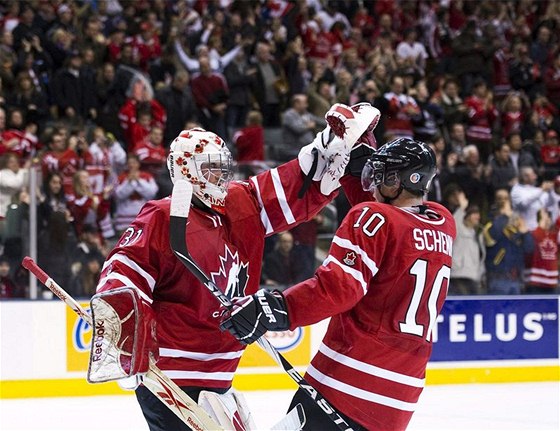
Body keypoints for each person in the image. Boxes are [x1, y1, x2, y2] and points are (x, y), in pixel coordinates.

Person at [94, 103, 381, 431]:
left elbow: (284, 190)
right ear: (187, 171)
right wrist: (124, 336)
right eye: (210, 168)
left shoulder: (241, 203)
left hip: (221, 373)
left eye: (222, 167)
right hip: (171, 374)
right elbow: (123, 275)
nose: (220, 176)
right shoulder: (162, 216)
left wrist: (325, 152)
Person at [221, 138, 456, 430]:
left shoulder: (371, 217)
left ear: (401, 180)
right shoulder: (443, 223)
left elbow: (339, 288)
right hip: (399, 400)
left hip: (347, 384)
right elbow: (390, 229)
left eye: (383, 177)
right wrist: (352, 175)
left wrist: (278, 309)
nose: (373, 184)